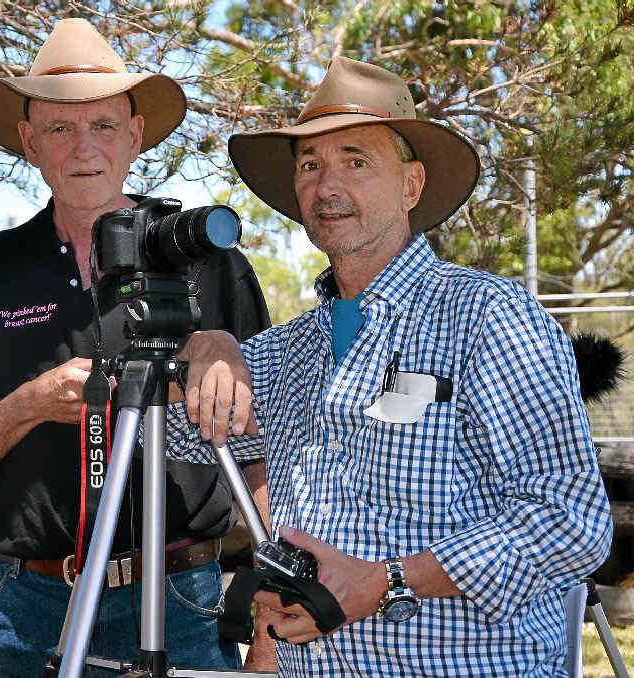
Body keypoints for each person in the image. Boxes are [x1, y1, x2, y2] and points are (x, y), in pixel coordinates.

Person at [167, 56, 614, 677]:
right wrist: (202, 346)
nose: (328, 186)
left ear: (411, 185)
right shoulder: (289, 348)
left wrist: (387, 581)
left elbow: (572, 523)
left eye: (356, 161)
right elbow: (170, 430)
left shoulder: (488, 315)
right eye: (310, 165)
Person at [0, 18, 275, 677]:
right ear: (30, 142)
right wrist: (27, 406)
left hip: (180, 597)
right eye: (60, 127)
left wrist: (273, 618)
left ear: (135, 136)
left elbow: (266, 451)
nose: (84, 147)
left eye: (104, 125)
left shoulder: (204, 256)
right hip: (23, 606)